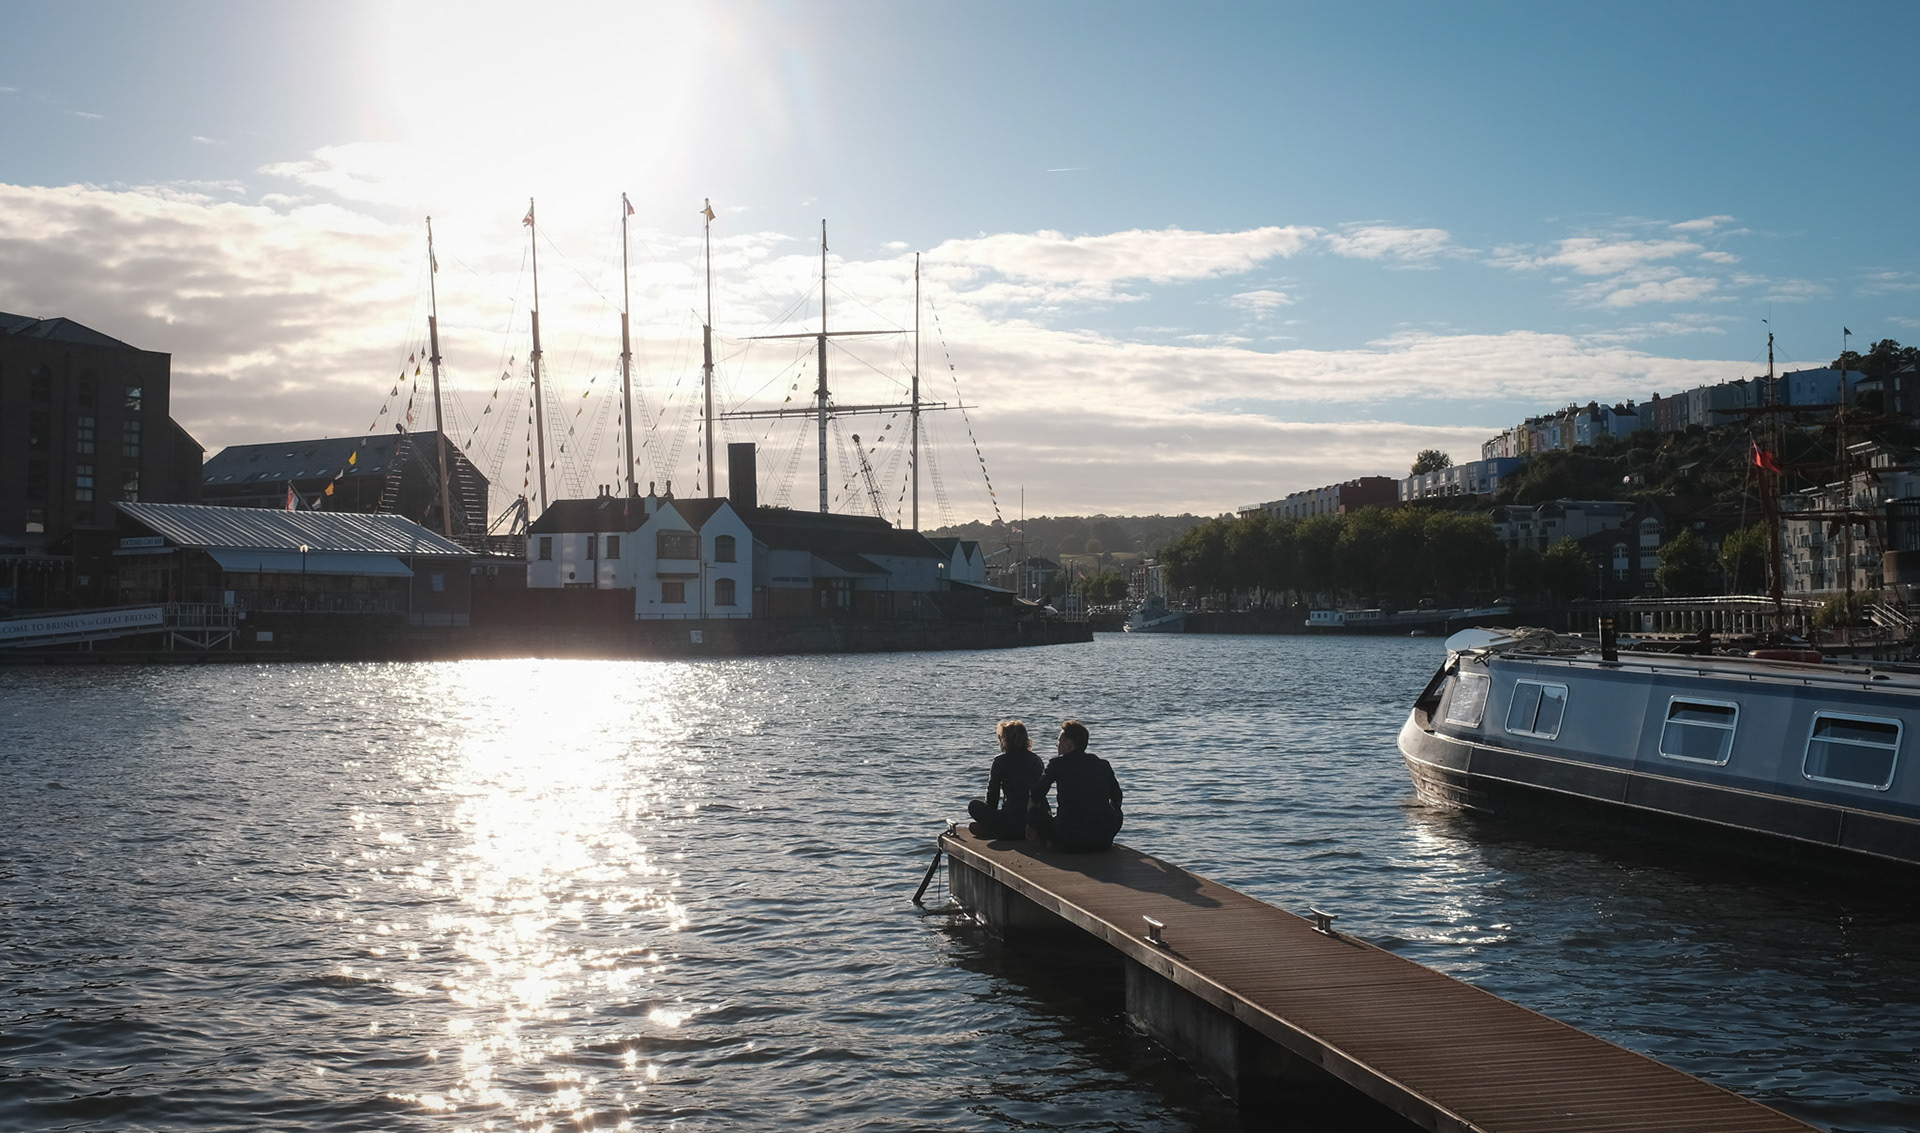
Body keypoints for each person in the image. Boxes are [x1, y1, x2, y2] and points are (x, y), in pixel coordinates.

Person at [1028, 719, 1124, 852]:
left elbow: (1036, 794)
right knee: (1117, 812)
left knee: (1033, 813)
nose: (1057, 745)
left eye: (1059, 741)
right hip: (1103, 841)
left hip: (1069, 841)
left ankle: (1050, 842)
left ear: (1069, 745)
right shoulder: (1102, 764)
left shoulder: (1057, 764)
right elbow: (1117, 798)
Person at [966, 720, 1045, 839]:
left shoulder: (1000, 761)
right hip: (1033, 821)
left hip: (1010, 821)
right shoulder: (1036, 760)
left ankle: (993, 830)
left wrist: (989, 819)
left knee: (974, 806)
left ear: (1005, 740)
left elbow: (993, 794)